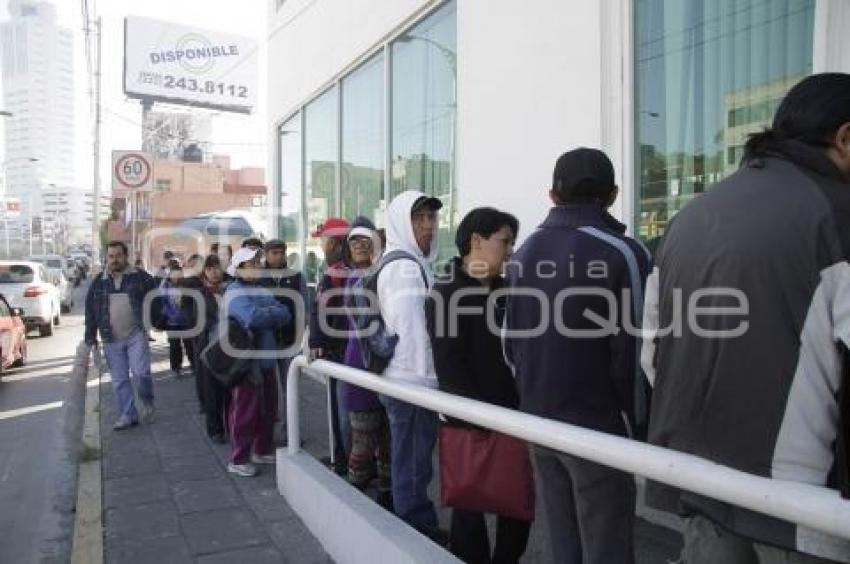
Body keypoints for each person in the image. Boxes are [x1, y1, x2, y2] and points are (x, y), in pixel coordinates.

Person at [642, 73, 850, 564]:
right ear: (844, 137)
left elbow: (653, 353)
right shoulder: (836, 215)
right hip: (800, 501)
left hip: (699, 480)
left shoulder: (690, 217)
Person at [504, 148, 651, 564]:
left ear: (553, 196)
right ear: (614, 193)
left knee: (563, 540)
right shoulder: (624, 252)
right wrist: (638, 429)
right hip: (599, 427)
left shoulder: (523, 253)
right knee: (606, 545)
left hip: (539, 420)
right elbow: (636, 351)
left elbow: (510, 345)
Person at [426, 207, 531, 563]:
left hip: (514, 417)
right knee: (468, 508)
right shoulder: (446, 294)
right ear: (475, 241)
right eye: (504, 242)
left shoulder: (509, 291)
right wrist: (479, 420)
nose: (510, 251)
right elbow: (450, 368)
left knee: (517, 505)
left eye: (513, 243)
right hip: (468, 420)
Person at [378, 190, 443, 539]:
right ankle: (416, 531)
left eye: (431, 218)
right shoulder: (404, 267)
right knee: (414, 465)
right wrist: (433, 382)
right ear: (402, 222)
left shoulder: (408, 262)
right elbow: (415, 333)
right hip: (413, 383)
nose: (428, 225)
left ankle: (414, 523)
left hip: (403, 380)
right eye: (419, 218)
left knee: (409, 460)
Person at [224, 247, 291, 477]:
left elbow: (286, 313)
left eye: (256, 262)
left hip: (266, 359)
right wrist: (269, 311)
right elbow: (252, 317)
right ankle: (238, 457)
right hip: (246, 363)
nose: (257, 266)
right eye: (251, 263)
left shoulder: (260, 289)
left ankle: (261, 449)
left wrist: (267, 312)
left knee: (269, 409)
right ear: (239, 269)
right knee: (245, 410)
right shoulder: (234, 291)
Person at [340, 224, 392, 508]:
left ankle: (386, 492)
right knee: (363, 438)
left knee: (387, 438)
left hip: (385, 367)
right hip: (361, 365)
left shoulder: (383, 274)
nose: (360, 246)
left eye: (366, 241)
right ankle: (354, 496)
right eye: (354, 242)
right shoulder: (356, 280)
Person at [85, 241, 157, 430]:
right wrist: (90, 337)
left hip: (136, 335)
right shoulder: (98, 282)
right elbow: (90, 311)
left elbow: (156, 297)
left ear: (126, 256)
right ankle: (128, 415)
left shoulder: (140, 277)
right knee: (119, 380)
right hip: (110, 339)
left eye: (118, 255)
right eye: (111, 256)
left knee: (141, 373)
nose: (114, 260)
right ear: (106, 258)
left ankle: (147, 400)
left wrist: (155, 321)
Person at [309, 216, 351, 473]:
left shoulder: (336, 272)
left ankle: (343, 460)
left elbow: (321, 311)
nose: (321, 246)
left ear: (334, 243)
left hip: (339, 352)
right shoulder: (346, 269)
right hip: (347, 349)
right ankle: (343, 457)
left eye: (323, 240)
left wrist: (317, 341)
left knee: (341, 411)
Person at [260, 239, 306, 441]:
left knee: (291, 388)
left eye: (282, 252)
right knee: (267, 391)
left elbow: (304, 306)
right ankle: (266, 433)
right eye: (274, 252)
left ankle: (291, 432)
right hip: (266, 342)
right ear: (266, 254)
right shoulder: (258, 278)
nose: (279, 256)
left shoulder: (296, 277)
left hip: (290, 342)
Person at [189, 254, 230, 442]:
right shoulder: (199, 294)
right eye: (210, 269)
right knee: (211, 389)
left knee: (229, 388)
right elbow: (197, 321)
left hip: (231, 347)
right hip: (208, 347)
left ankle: (230, 424)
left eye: (217, 268)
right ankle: (215, 429)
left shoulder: (230, 290)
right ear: (204, 272)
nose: (214, 272)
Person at [160, 260, 195, 379]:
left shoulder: (187, 285)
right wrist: (169, 314)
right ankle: (176, 368)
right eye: (174, 275)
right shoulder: (165, 286)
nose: (176, 277)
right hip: (172, 322)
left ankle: (194, 366)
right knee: (175, 346)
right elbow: (163, 303)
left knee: (190, 344)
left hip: (186, 321)